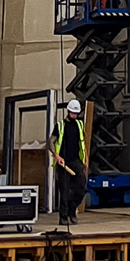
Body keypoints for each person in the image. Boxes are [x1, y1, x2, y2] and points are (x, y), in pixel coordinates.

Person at [51, 97, 88, 228]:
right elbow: (51, 141)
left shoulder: (79, 124)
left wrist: (85, 159)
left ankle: (72, 210)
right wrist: (56, 155)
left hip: (76, 161)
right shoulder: (60, 125)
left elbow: (82, 143)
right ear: (68, 111)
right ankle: (63, 216)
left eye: (76, 113)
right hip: (63, 162)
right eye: (73, 113)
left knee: (81, 188)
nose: (74, 115)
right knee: (65, 190)